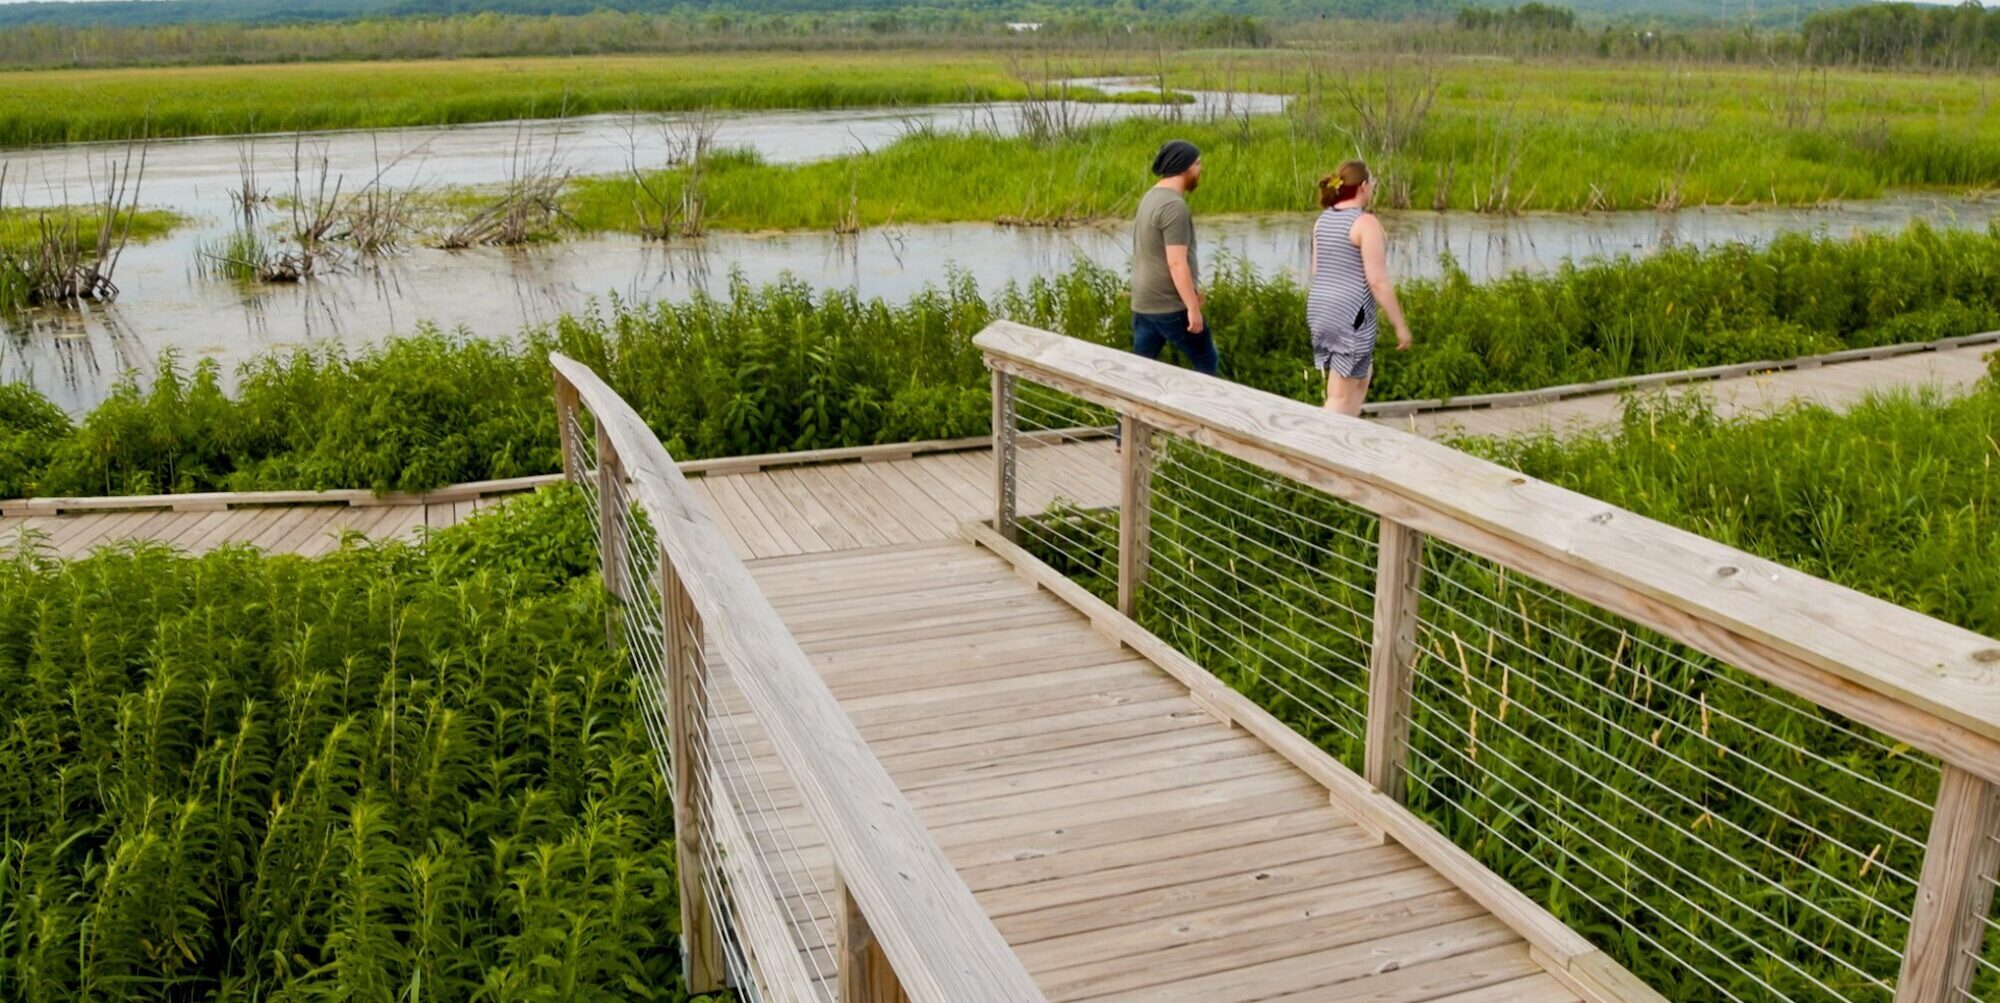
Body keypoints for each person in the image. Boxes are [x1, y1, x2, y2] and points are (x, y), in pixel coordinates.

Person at [1308, 160, 1412, 416]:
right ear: (1363, 186)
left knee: (1361, 376)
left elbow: (1316, 270)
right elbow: (1377, 281)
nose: (1373, 188)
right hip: (1351, 316)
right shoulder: (1365, 223)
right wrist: (1400, 325)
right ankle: (1318, 446)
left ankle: (1347, 437)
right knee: (1339, 396)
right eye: (1373, 184)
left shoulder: (1323, 221)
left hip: (1320, 310)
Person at [1129, 139, 1217, 377]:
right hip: (1169, 304)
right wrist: (1192, 307)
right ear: (1185, 167)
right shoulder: (1173, 206)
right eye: (1197, 164)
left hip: (1143, 301)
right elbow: (1176, 262)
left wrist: (1192, 292)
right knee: (1206, 360)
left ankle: (1133, 414)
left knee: (1140, 371)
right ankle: (1201, 411)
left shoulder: (1151, 197)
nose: (1201, 169)